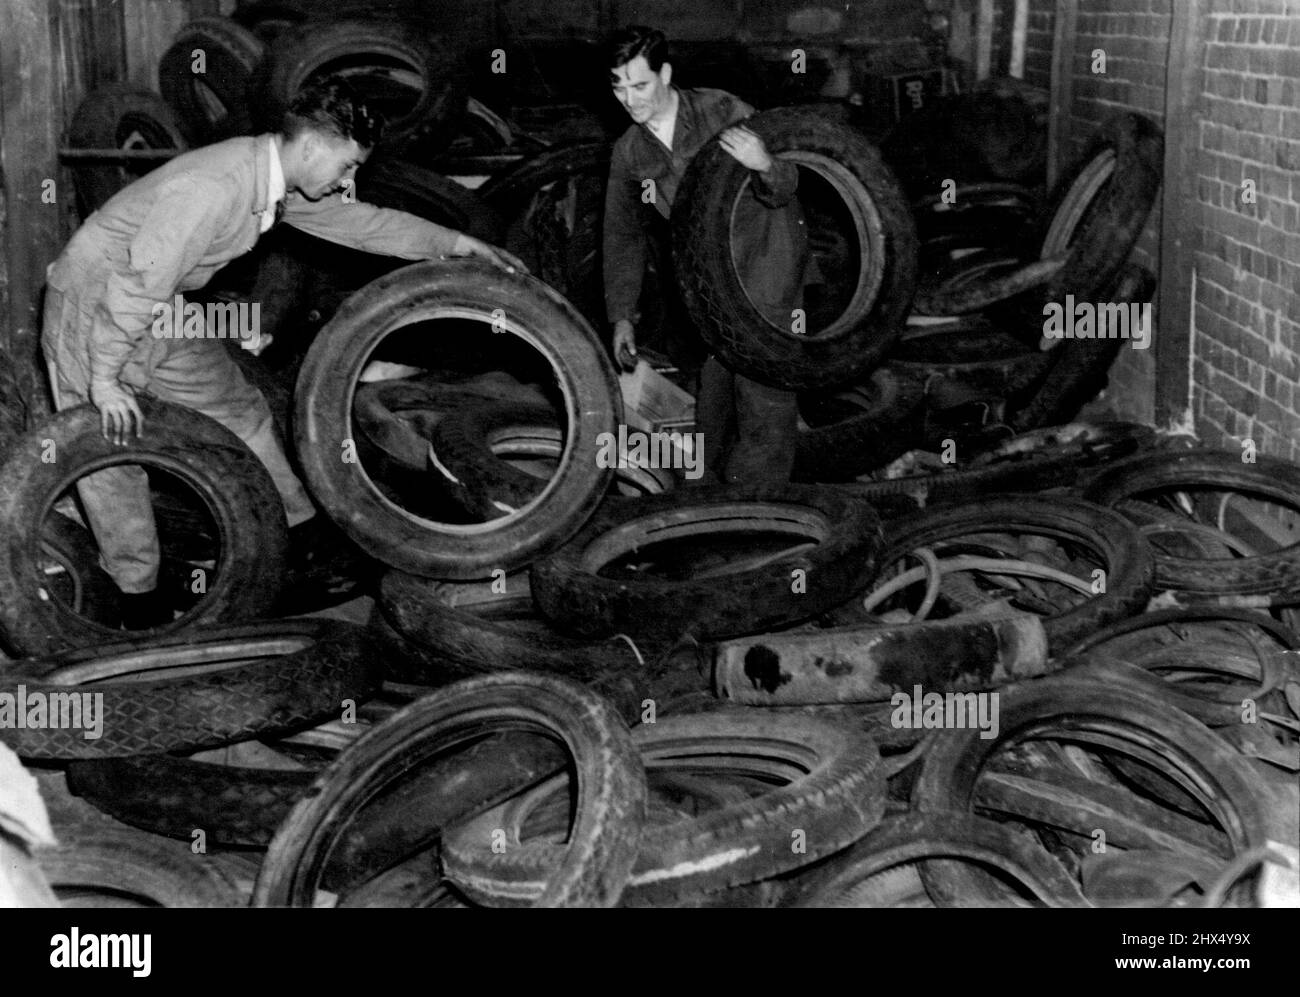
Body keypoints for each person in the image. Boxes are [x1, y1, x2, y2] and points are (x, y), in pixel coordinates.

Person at [42, 77, 525, 628]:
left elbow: (359, 223)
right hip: (96, 305)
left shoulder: (273, 179)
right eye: (346, 167)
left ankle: (300, 535)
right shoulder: (215, 188)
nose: (350, 179)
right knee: (114, 450)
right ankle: (139, 599)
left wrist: (455, 243)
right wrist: (104, 379)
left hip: (158, 302)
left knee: (238, 410)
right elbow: (134, 285)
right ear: (313, 147)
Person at [601, 25, 807, 486]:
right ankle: (706, 487)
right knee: (714, 383)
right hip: (711, 277)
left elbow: (788, 185)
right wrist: (621, 317)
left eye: (640, 85)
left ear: (666, 74)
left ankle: (757, 508)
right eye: (619, 87)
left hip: (765, 259)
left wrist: (765, 164)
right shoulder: (630, 152)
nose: (630, 100)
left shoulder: (722, 111)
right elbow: (622, 237)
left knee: (763, 389)